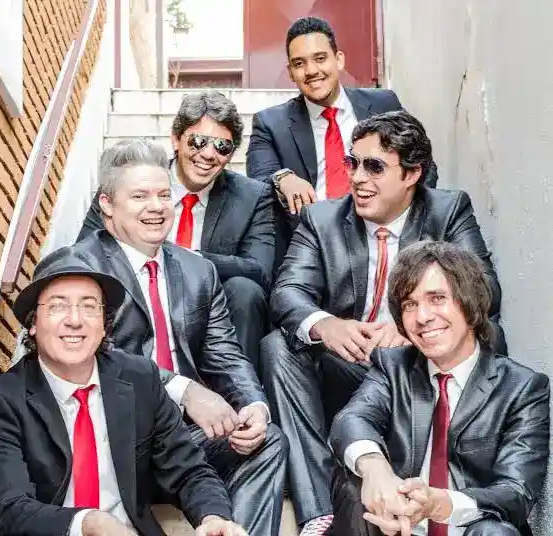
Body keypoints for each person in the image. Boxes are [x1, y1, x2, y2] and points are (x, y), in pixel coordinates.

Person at [259, 110, 504, 535]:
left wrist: (412, 329)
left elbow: (485, 290)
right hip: (350, 363)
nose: (357, 177)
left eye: (374, 166)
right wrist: (327, 325)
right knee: (277, 346)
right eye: (352, 163)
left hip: (416, 364)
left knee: (489, 333)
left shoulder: (447, 211)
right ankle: (318, 511)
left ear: (412, 174)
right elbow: (287, 291)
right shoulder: (323, 219)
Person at [70, 139, 287, 536]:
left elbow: (223, 351)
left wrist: (253, 404)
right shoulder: (80, 267)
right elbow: (95, 354)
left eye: (163, 195)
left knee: (266, 440)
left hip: (181, 443)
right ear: (107, 204)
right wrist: (184, 390)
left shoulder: (196, 270)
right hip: (114, 441)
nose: (156, 207)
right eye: (140, 196)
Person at [0, 253, 248, 536]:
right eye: (58, 306)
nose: (75, 320)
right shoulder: (1, 400)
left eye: (89, 307)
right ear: (33, 323)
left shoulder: (140, 378)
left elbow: (189, 470)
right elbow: (9, 508)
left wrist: (212, 517)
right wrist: (89, 523)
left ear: (104, 324)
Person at [328, 241, 549, 536]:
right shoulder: (393, 367)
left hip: (466, 526)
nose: (422, 317)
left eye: (437, 298)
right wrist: (375, 467)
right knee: (354, 488)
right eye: (410, 304)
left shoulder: (522, 389)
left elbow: (516, 491)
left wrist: (439, 504)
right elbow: (352, 419)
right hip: (397, 526)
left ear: (470, 302)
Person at [78, 91, 275, 370]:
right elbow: (85, 251)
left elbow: (260, 270)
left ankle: (236, 390)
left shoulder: (252, 197)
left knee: (246, 291)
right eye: (198, 141)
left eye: (222, 146)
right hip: (135, 303)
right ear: (175, 139)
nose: (208, 154)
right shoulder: (129, 180)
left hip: (207, 315)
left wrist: (185, 258)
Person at [246, 16, 438, 266]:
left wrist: (401, 218)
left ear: (339, 60)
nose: (311, 71)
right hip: (314, 246)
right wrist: (283, 178)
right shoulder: (271, 123)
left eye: (320, 58)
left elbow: (424, 166)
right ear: (290, 72)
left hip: (384, 234)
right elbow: (258, 181)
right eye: (299, 63)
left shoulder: (383, 103)